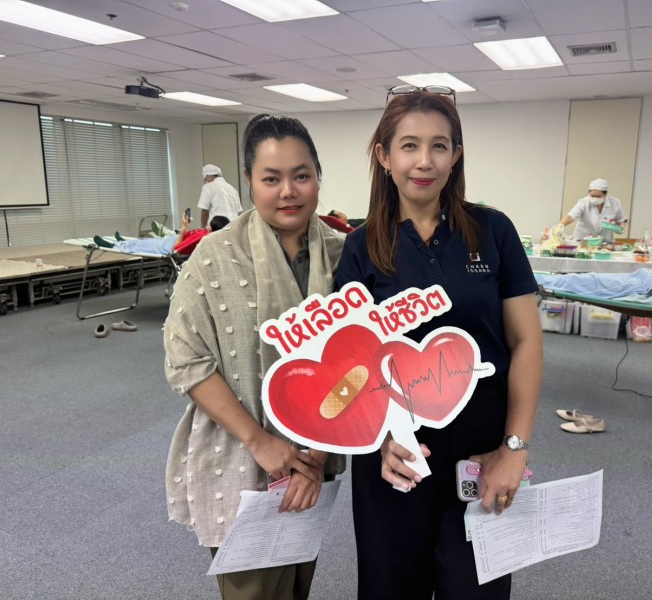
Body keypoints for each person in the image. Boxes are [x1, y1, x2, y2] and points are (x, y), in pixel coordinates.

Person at [336, 87, 543, 599]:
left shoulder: (492, 231)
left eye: (439, 146)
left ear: (456, 155)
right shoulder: (361, 247)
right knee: (389, 588)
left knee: (476, 587)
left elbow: (526, 342)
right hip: (395, 448)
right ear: (384, 156)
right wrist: (379, 440)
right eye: (409, 146)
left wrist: (514, 448)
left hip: (482, 444)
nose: (424, 161)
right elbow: (352, 364)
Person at [163, 114, 347, 599]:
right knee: (254, 591)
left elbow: (358, 364)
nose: (288, 191)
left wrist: (315, 455)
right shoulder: (213, 258)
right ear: (248, 181)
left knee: (297, 582)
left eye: (301, 175)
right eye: (271, 178)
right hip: (238, 455)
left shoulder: (343, 255)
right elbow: (186, 360)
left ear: (317, 176)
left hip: (316, 456)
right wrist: (261, 441)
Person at [93, 213, 228, 256]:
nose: (207, 223)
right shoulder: (205, 235)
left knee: (141, 244)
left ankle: (112, 245)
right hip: (171, 240)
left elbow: (176, 248)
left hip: (168, 247)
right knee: (142, 241)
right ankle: (121, 241)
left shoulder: (202, 238)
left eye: (210, 223)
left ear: (212, 228)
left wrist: (183, 228)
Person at [558, 178, 627, 242]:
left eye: (598, 196)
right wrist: (559, 227)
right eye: (592, 196)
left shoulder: (615, 203)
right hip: (583, 242)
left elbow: (621, 220)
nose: (595, 198)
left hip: (605, 243)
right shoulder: (583, 202)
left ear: (605, 194)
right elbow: (571, 217)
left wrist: (620, 228)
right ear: (589, 192)